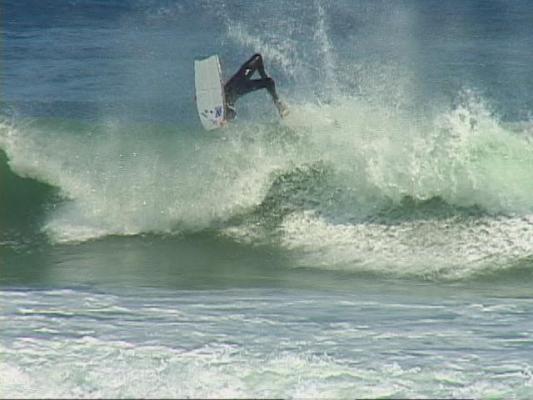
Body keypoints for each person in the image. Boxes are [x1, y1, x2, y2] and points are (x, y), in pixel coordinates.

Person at [223, 53, 288, 121]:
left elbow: (259, 60)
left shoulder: (257, 59)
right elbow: (259, 60)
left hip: (235, 88)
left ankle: (227, 108)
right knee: (269, 82)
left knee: (269, 81)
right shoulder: (258, 60)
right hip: (236, 88)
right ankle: (278, 104)